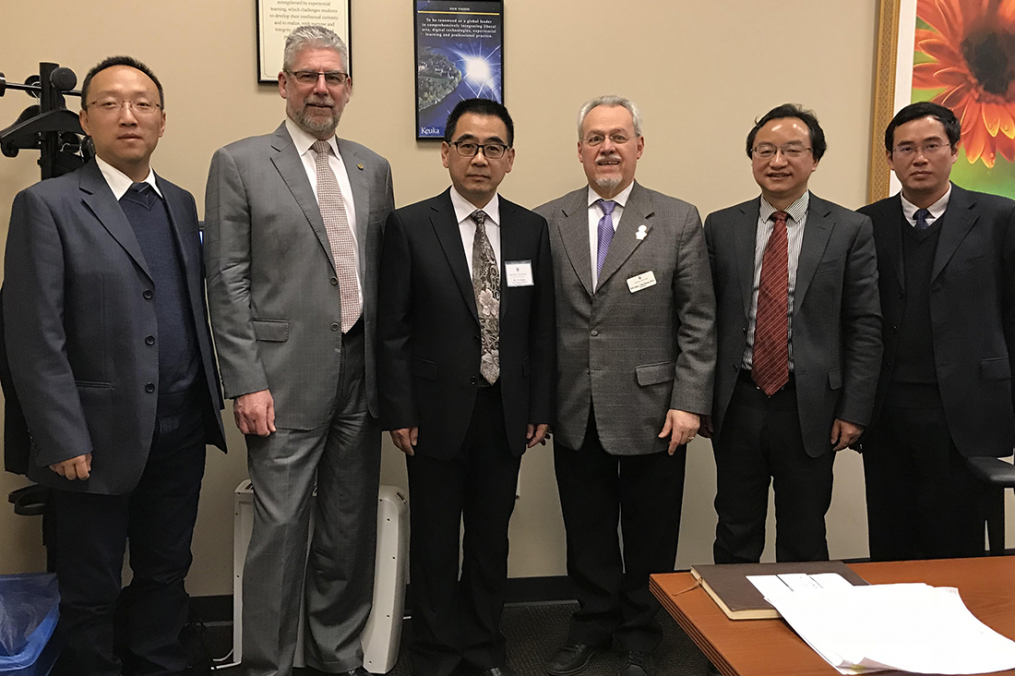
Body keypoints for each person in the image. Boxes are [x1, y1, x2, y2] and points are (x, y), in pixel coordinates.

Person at [3, 55, 227, 676]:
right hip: (93, 437)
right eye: (109, 103)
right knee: (92, 583)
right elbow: (33, 334)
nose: (128, 116)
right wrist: (62, 434)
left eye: (142, 104)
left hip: (180, 429)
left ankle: (158, 661)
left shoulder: (180, 204)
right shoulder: (47, 205)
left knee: (165, 570)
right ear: (85, 119)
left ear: (161, 120)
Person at [203, 25, 394, 676]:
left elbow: (380, 279)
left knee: (347, 530)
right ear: (284, 84)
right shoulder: (240, 162)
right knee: (280, 534)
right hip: (280, 381)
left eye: (333, 77)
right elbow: (225, 280)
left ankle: (335, 656)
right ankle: (268, 665)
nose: (321, 88)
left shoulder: (373, 167)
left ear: (347, 88)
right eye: (308, 76)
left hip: (360, 378)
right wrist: (244, 380)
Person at [536, 95, 715, 676]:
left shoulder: (678, 218)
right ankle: (591, 622)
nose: (606, 147)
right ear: (580, 150)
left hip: (655, 407)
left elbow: (699, 319)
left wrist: (689, 402)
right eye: (595, 138)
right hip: (574, 405)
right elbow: (537, 324)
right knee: (585, 528)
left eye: (618, 136)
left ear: (639, 146)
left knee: (650, 531)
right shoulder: (547, 220)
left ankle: (641, 631)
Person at [377, 98, 555, 676]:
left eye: (494, 148)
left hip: (505, 411)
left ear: (509, 160)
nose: (481, 158)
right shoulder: (409, 225)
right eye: (469, 146)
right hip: (431, 414)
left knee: (489, 539)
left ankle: (482, 645)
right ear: (446, 153)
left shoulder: (532, 229)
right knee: (433, 542)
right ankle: (434, 650)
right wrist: (398, 409)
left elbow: (542, 331)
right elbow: (393, 329)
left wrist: (540, 406)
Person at [703, 103, 882, 566]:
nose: (777, 161)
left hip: (811, 405)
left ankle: (800, 630)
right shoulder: (721, 226)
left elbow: (864, 326)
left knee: (804, 531)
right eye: (765, 150)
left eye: (791, 150)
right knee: (735, 527)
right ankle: (731, 634)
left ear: (815, 158)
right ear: (752, 158)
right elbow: (702, 319)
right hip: (738, 401)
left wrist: (855, 410)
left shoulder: (849, 228)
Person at [859, 101, 1015, 561]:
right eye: (905, 148)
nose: (919, 158)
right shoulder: (866, 223)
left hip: (966, 410)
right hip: (888, 409)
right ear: (890, 158)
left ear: (955, 149)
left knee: (956, 542)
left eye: (931, 146)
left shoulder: (999, 218)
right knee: (890, 538)